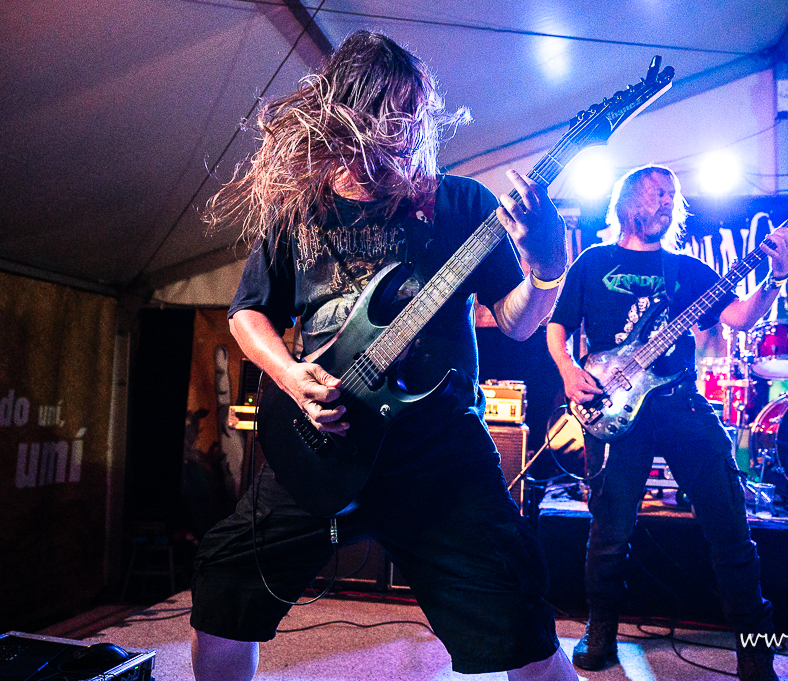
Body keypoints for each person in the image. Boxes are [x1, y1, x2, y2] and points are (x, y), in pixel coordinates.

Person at [191, 31, 578, 681]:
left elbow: (517, 323)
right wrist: (290, 375)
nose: (401, 133)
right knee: (224, 585)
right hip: (321, 443)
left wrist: (547, 266)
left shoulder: (461, 204)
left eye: (411, 115)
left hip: (438, 453)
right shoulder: (299, 209)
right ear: (343, 113)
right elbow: (248, 313)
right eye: (386, 114)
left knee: (520, 620)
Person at [546, 165, 788, 681]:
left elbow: (739, 317)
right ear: (628, 200)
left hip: (680, 401)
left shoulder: (687, 269)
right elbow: (557, 327)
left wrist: (776, 278)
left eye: (673, 195)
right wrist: (569, 371)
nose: (668, 201)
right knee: (609, 531)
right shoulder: (593, 262)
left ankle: (754, 648)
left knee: (729, 525)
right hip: (612, 404)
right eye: (658, 192)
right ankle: (601, 629)